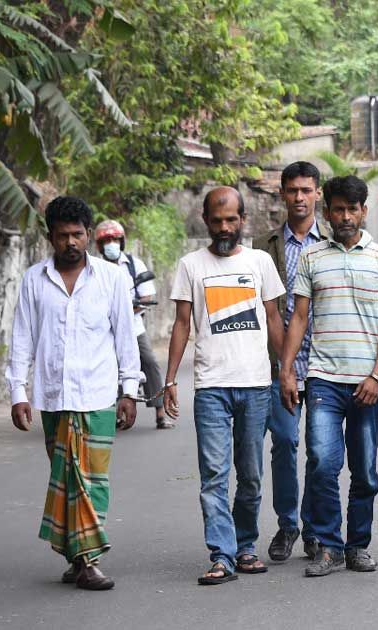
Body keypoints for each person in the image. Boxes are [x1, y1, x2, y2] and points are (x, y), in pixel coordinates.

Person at [6, 196, 141, 591]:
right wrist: (17, 391)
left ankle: (89, 559)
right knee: (65, 477)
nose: (71, 243)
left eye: (78, 235)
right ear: (51, 237)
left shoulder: (112, 279)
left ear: (88, 235)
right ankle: (76, 556)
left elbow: (125, 337)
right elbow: (21, 339)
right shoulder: (34, 279)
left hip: (98, 394)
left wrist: (129, 391)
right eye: (63, 235)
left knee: (92, 479)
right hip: (53, 398)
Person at [278, 175, 378, 577]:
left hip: (367, 383)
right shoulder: (312, 258)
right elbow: (298, 317)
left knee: (364, 470)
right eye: (338, 209)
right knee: (321, 462)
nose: (345, 217)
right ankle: (328, 547)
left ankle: (357, 546)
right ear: (326, 211)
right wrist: (286, 370)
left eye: (353, 209)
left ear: (364, 211)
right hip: (323, 380)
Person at [164, 186, 286, 585]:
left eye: (231, 220)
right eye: (217, 221)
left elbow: (273, 319)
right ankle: (223, 554)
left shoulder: (260, 261)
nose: (224, 227)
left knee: (250, 474)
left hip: (255, 385)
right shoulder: (190, 265)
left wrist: (285, 372)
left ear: (243, 220)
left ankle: (246, 545)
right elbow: (183, 323)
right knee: (214, 474)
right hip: (211, 387)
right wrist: (169, 380)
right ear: (205, 220)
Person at [252, 161, 330, 562]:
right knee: (283, 442)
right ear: (282, 194)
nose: (299, 198)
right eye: (292, 191)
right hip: (278, 364)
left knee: (319, 451)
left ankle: (316, 529)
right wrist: (279, 362)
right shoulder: (264, 246)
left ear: (318, 193)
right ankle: (288, 525)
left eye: (306, 190)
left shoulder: (333, 240)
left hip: (324, 364)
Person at [95, 219, 173, 429]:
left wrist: (127, 310)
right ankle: (109, 412)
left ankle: (160, 412)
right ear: (99, 245)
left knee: (149, 362)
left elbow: (147, 296)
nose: (110, 243)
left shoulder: (133, 264)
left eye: (114, 239)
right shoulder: (94, 268)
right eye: (106, 240)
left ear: (121, 241)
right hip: (103, 330)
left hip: (133, 327)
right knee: (104, 367)